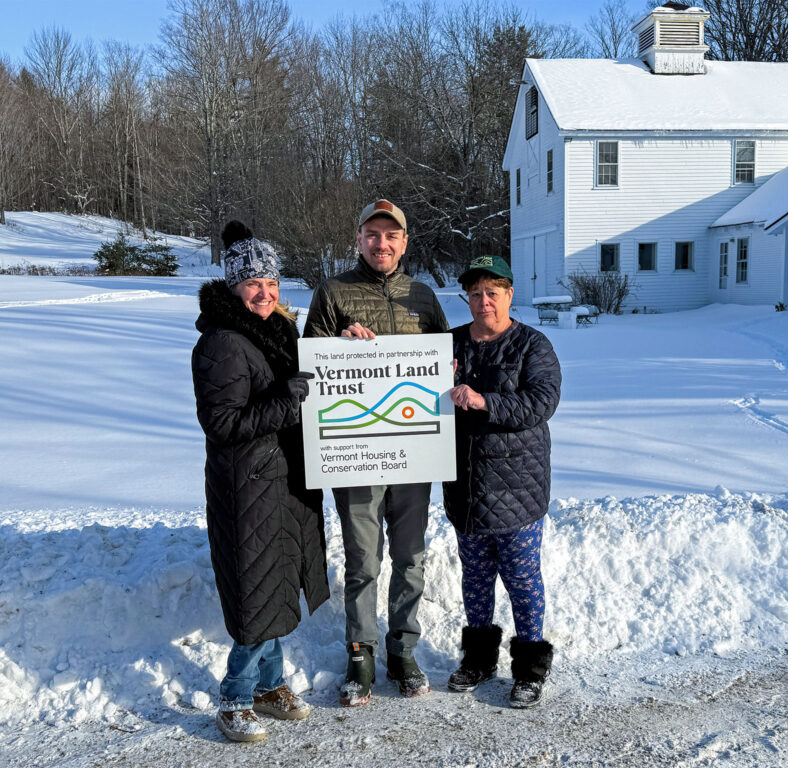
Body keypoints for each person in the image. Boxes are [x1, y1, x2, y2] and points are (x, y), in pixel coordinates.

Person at [303, 199, 449, 706]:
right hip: (358, 452)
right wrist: (339, 344)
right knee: (364, 559)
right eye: (372, 234)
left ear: (404, 242)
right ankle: (361, 654)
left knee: (410, 556)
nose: (381, 243)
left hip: (414, 452)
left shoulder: (424, 297)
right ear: (359, 238)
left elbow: (444, 362)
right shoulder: (333, 292)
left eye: (391, 235)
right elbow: (310, 364)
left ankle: (403, 651)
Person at [192, 221, 329, 742]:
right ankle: (234, 697)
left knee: (275, 586)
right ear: (234, 288)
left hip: (282, 482)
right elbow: (222, 425)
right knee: (256, 594)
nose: (265, 294)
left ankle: (271, 687)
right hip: (246, 488)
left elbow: (309, 382)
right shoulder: (223, 344)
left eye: (271, 285)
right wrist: (286, 400)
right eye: (253, 285)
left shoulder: (276, 332)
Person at [443, 255, 561, 708]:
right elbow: (403, 370)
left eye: (493, 292)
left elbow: (541, 402)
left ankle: (530, 667)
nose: (484, 301)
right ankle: (478, 660)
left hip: (517, 488)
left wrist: (485, 402)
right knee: (474, 578)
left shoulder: (533, 345)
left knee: (521, 579)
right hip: (466, 486)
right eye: (475, 293)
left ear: (510, 294)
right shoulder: (450, 344)